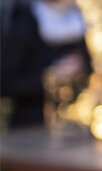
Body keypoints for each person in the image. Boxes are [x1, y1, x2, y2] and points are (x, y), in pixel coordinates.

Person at [0, 0, 90, 128]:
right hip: (30, 124)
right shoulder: (25, 23)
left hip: (72, 123)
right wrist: (51, 77)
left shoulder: (77, 21)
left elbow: (88, 69)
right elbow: (6, 83)